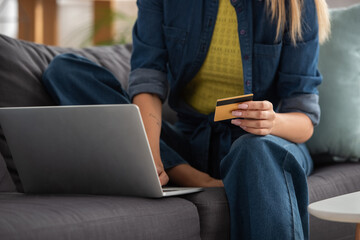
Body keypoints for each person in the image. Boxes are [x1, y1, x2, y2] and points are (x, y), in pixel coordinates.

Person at [41, 0, 331, 239]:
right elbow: (148, 80)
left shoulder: (295, 5)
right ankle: (186, 175)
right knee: (65, 70)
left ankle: (196, 172)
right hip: (192, 144)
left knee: (254, 149)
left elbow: (303, 120)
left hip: (265, 144)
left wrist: (271, 122)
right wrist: (150, 157)